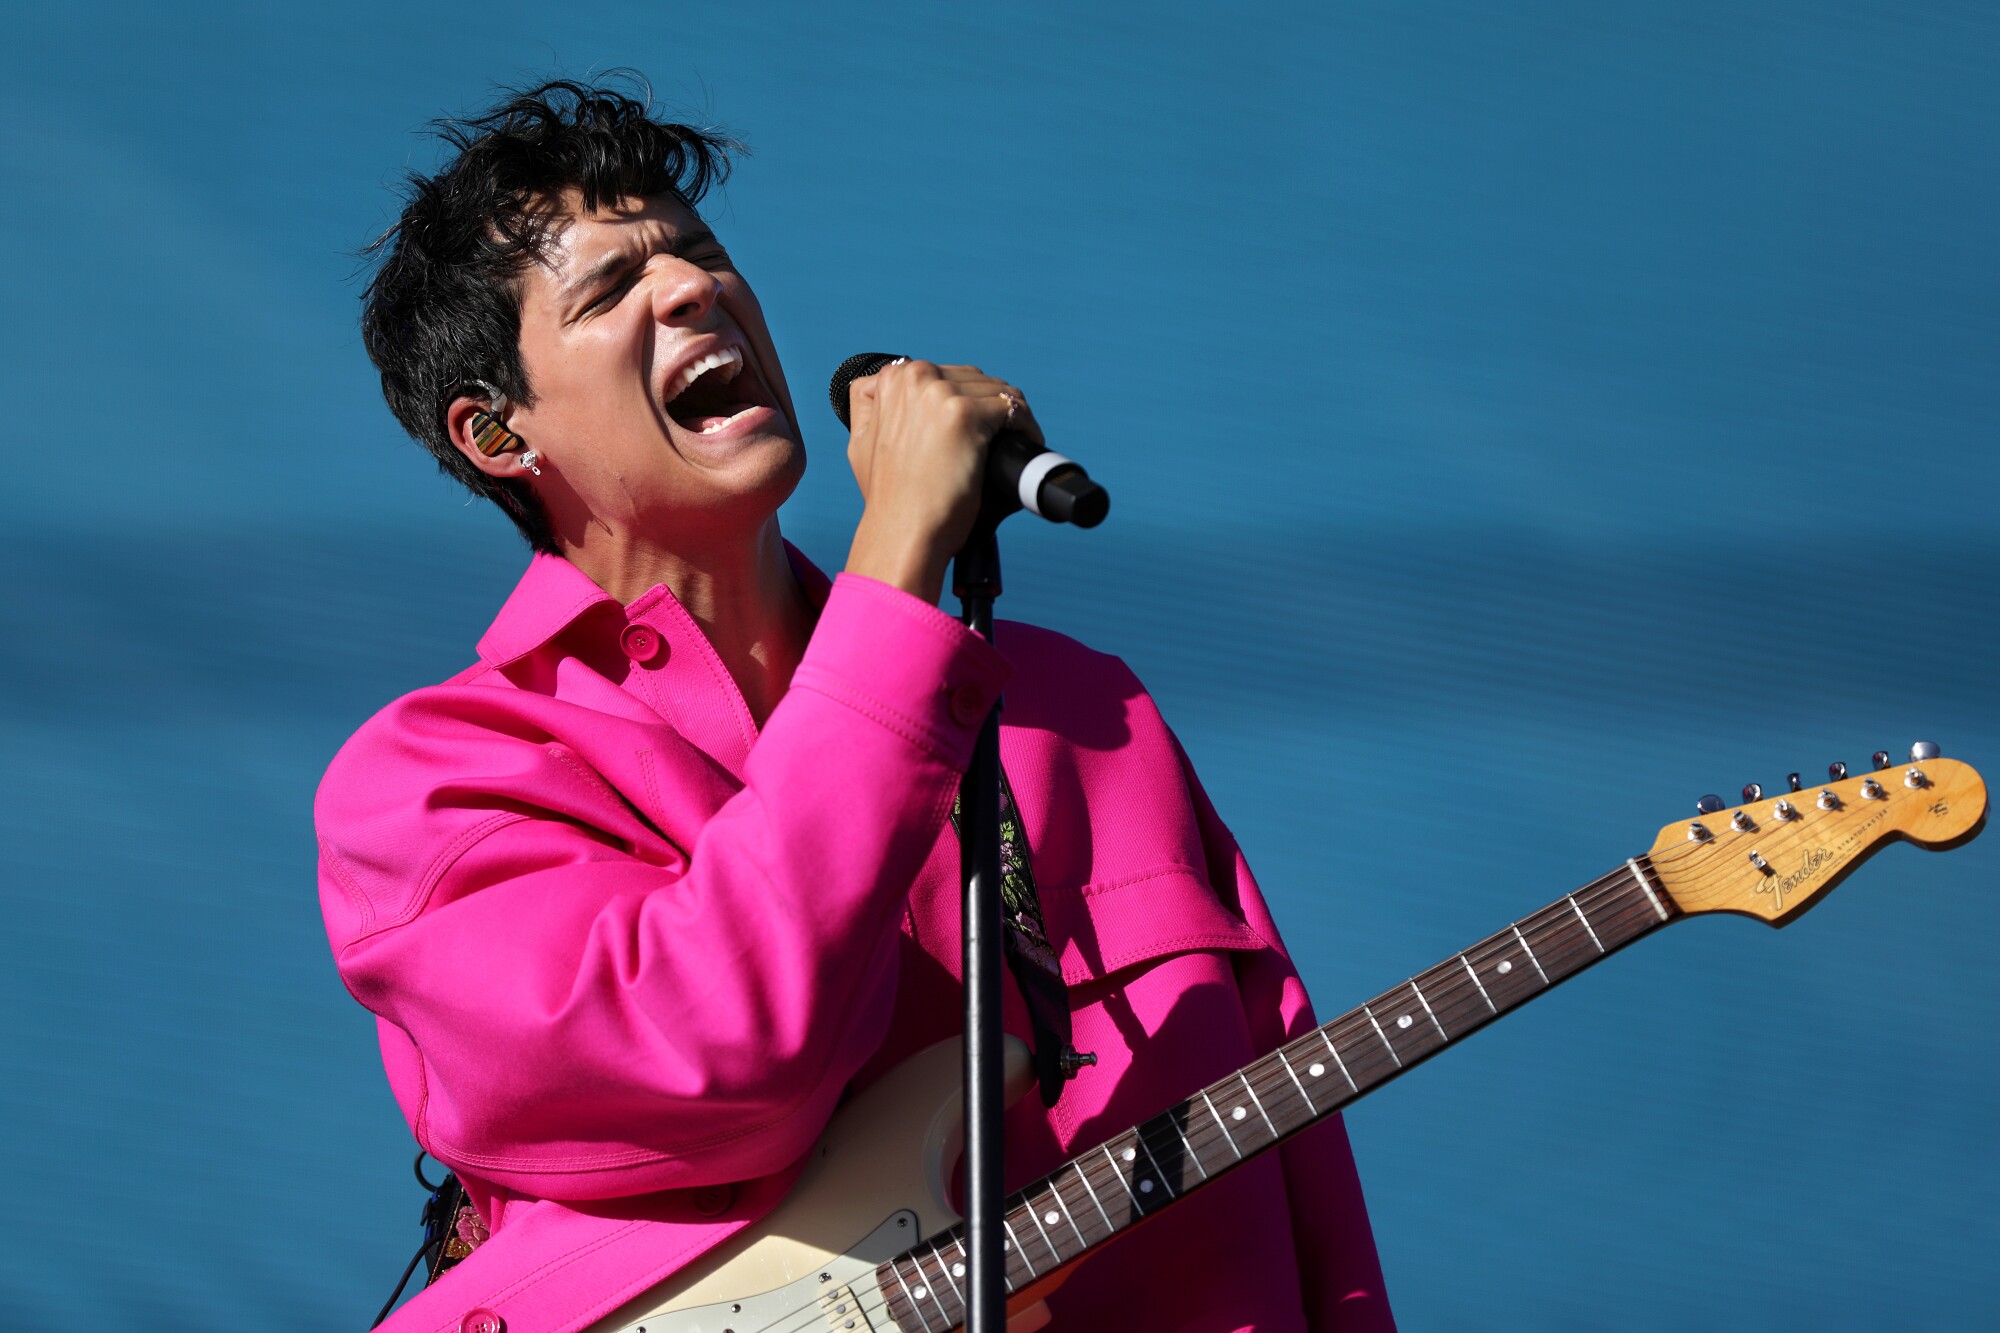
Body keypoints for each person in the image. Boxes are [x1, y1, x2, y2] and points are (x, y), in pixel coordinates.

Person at [317, 78, 1394, 1332]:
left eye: (699, 252)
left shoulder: (1082, 712)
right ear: (498, 436)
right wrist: (897, 565)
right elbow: (730, 1056)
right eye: (611, 291)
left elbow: (1287, 1156)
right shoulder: (444, 782)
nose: (689, 289)